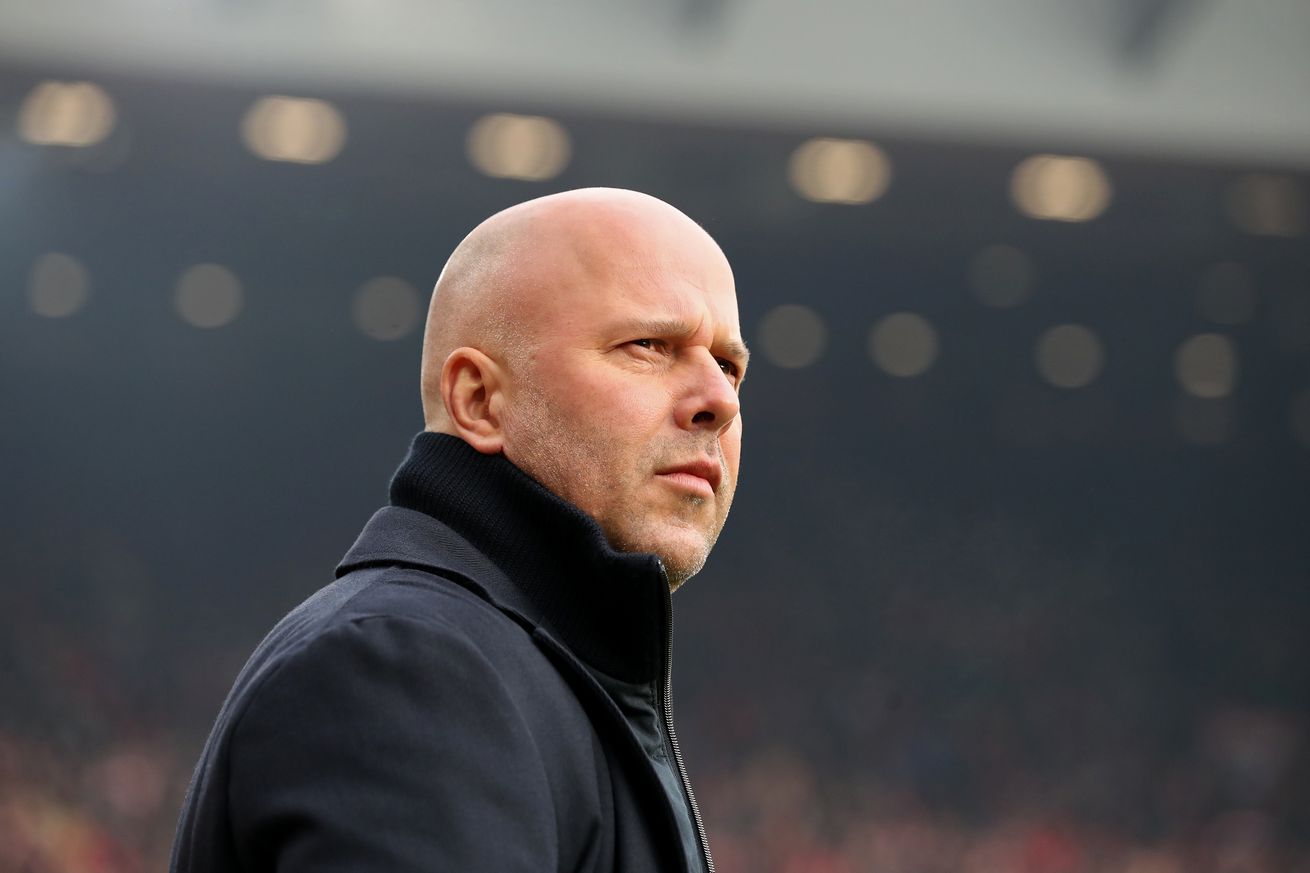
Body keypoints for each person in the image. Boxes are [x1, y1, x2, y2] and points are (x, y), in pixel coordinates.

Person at [170, 187, 748, 873]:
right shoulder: (408, 666)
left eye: (729, 365)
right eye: (648, 345)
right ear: (477, 399)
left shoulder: (533, 672)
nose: (719, 399)